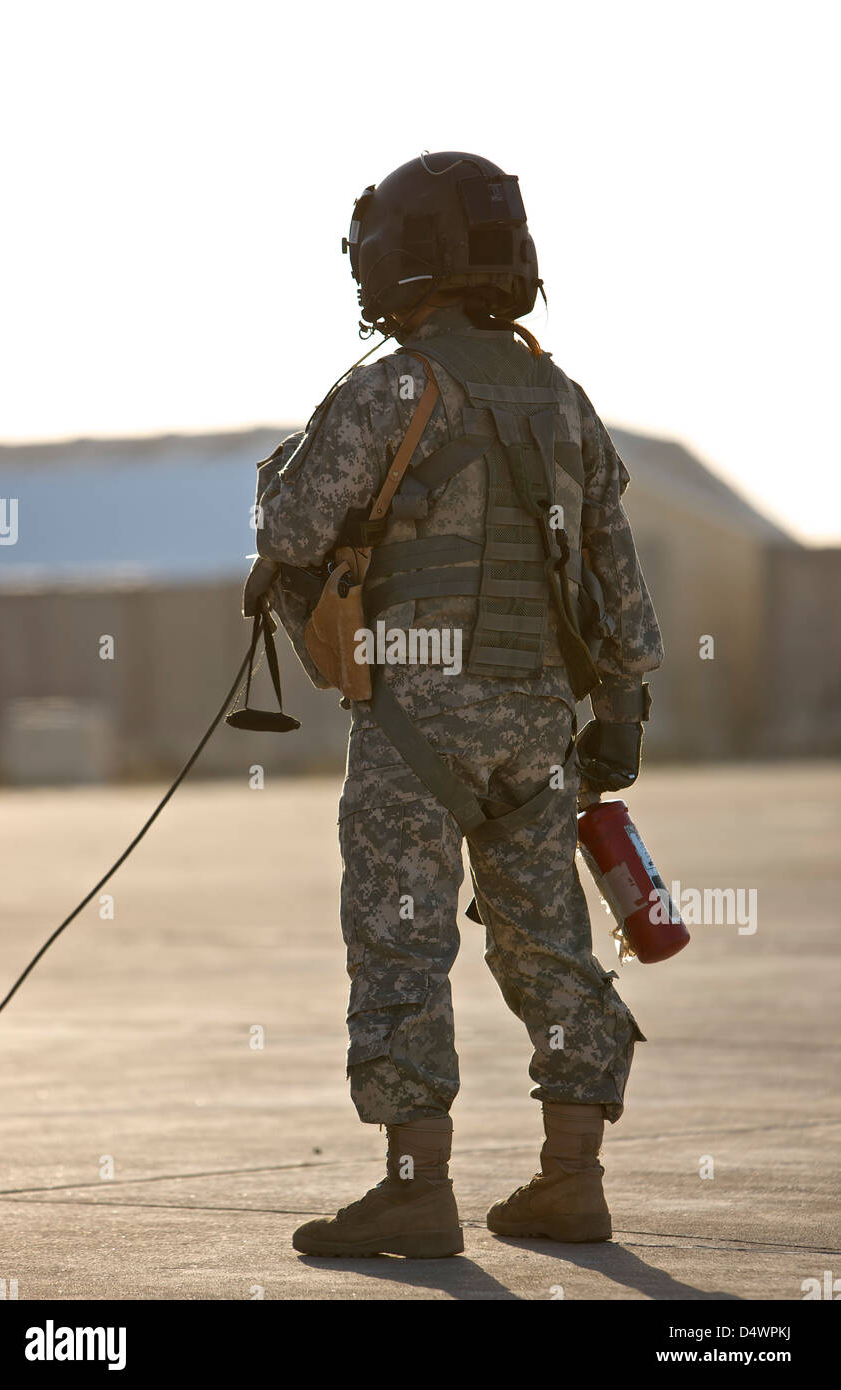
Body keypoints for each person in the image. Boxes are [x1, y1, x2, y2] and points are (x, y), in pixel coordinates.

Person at [242, 152, 663, 1258]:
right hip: (537, 731)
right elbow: (618, 578)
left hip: (412, 723)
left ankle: (413, 1188)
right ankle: (571, 1178)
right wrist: (615, 716)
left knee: (399, 940)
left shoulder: (392, 386)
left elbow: (289, 534)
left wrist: (279, 486)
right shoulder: (562, 397)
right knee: (546, 949)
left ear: (397, 259)